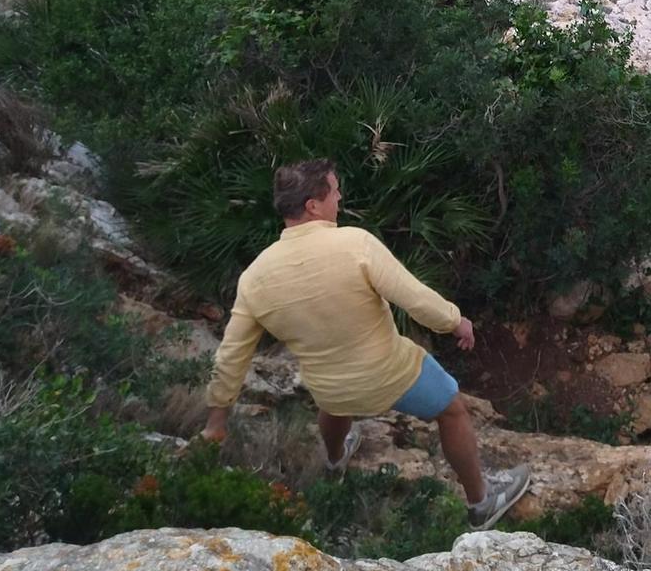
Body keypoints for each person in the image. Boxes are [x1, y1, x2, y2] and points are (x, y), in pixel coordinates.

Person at [200, 158, 531, 528]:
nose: (339, 198)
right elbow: (416, 299)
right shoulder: (354, 243)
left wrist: (216, 420)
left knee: (333, 397)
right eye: (334, 190)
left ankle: (335, 458)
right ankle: (481, 502)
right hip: (392, 376)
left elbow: (232, 354)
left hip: (332, 392)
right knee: (452, 408)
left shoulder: (255, 278)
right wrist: (456, 321)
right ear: (312, 204)